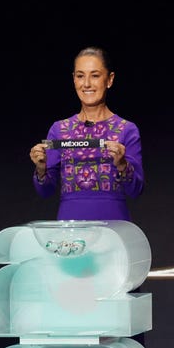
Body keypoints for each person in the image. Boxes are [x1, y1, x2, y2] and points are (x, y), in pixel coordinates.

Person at [28, 47, 144, 221]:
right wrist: (41, 169)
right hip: (70, 231)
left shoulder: (126, 129)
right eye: (80, 76)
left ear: (109, 80)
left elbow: (136, 190)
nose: (87, 83)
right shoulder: (59, 129)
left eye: (95, 75)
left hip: (114, 229)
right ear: (73, 79)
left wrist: (122, 165)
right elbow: (45, 191)